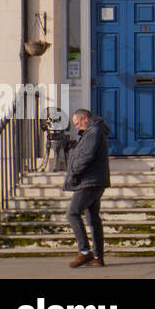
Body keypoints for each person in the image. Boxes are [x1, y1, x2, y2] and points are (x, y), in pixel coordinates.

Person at [63, 108, 111, 268]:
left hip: (89, 181)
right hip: (95, 180)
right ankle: (98, 257)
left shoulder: (93, 132)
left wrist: (74, 172)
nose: (77, 127)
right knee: (93, 218)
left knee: (72, 213)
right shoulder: (93, 131)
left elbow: (86, 156)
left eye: (77, 123)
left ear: (84, 118)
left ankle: (85, 252)